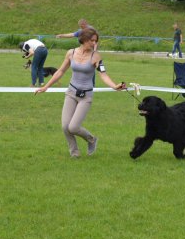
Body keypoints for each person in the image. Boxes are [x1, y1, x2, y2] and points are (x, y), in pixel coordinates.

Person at [36, 28, 126, 158]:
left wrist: (115, 86)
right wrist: (46, 87)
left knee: (73, 127)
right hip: (71, 93)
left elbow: (103, 75)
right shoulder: (71, 53)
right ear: (83, 39)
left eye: (96, 41)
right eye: (92, 40)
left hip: (86, 96)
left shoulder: (96, 56)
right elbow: (60, 71)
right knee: (65, 126)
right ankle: (75, 153)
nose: (94, 43)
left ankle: (91, 139)